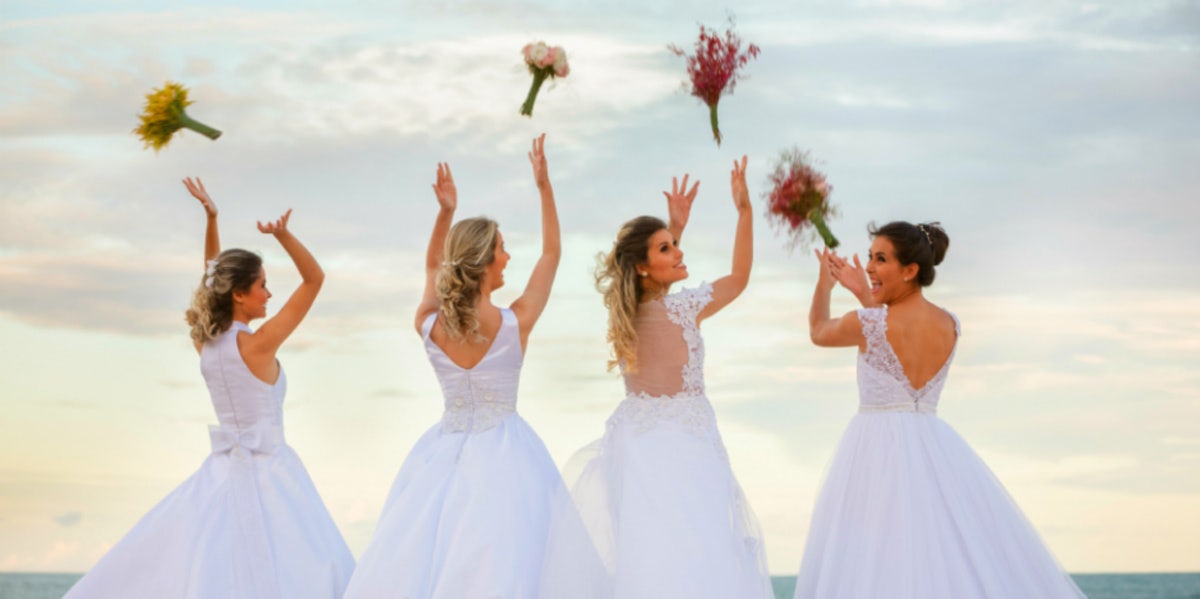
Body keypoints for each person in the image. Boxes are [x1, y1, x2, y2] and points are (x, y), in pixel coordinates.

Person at [65, 177, 354, 599]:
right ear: (239, 294)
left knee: (214, 567)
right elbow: (314, 280)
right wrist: (284, 236)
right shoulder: (257, 345)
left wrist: (212, 218)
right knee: (305, 568)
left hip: (221, 474)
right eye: (262, 286)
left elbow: (209, 278)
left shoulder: (206, 345)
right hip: (273, 475)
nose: (269, 294)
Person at [344, 135, 604, 598]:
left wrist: (444, 213)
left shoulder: (428, 324)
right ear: (485, 261)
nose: (508, 256)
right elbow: (552, 254)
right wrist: (545, 187)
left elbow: (430, 264)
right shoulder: (514, 322)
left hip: (439, 457)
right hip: (509, 458)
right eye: (502, 247)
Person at [793, 221, 1086, 598]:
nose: (868, 267)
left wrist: (825, 284)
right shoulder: (950, 324)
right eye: (870, 257)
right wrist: (866, 293)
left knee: (877, 555)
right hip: (933, 446)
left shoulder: (869, 322)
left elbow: (820, 331)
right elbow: (891, 330)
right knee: (935, 551)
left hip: (874, 450)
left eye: (880, 259)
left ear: (910, 270)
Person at [545, 157, 773, 598]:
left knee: (654, 554)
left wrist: (675, 227)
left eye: (674, 244)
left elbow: (647, 277)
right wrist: (745, 212)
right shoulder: (684, 308)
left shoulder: (625, 313)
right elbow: (740, 277)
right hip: (686, 449)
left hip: (641, 446)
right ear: (644, 266)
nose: (678, 251)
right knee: (697, 550)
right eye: (666, 247)